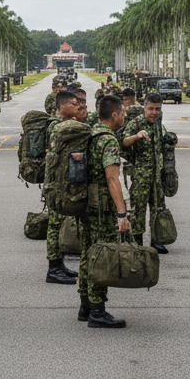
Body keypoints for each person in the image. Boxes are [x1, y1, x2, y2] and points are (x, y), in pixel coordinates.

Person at [77, 95, 132, 329]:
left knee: (87, 251)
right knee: (101, 253)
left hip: (85, 203)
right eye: (124, 113)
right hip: (101, 206)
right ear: (114, 115)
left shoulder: (89, 133)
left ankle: (85, 305)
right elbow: (112, 178)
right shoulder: (108, 140)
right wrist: (122, 213)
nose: (126, 116)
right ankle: (98, 311)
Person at [42, 90, 83, 285]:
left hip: (61, 183)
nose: (77, 107)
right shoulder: (57, 126)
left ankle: (59, 265)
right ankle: (53, 268)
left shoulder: (61, 126)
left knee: (57, 225)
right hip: (56, 185)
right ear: (62, 106)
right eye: (73, 104)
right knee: (55, 226)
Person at [122, 92, 168, 254]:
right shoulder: (136, 123)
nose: (154, 112)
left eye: (157, 109)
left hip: (156, 175)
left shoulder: (158, 123)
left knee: (157, 208)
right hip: (140, 175)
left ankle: (156, 241)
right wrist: (137, 136)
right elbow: (124, 142)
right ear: (144, 108)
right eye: (151, 109)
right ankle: (138, 241)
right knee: (138, 210)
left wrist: (170, 170)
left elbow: (163, 147)